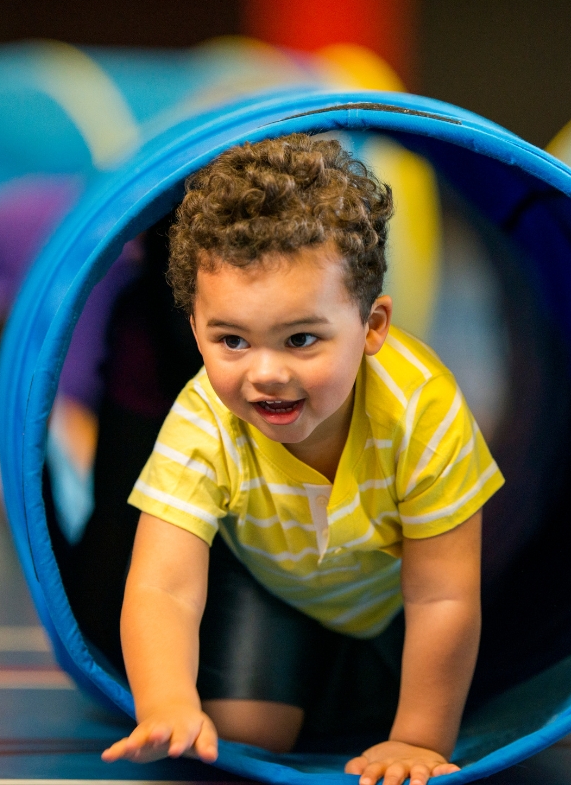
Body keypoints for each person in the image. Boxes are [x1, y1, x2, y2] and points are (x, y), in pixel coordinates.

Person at [101, 134, 504, 785]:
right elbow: (162, 585)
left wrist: (419, 739)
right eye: (231, 339)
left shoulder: (421, 412)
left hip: (390, 601)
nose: (266, 374)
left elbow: (442, 594)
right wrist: (167, 702)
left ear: (372, 326)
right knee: (242, 739)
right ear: (195, 325)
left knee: (439, 696)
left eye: (301, 339)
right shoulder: (206, 419)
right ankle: (307, 680)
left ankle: (343, 681)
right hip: (272, 582)